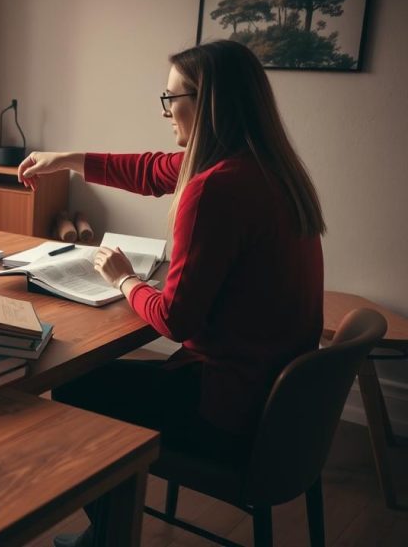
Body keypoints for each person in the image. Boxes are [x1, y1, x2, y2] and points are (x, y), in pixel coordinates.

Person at [17, 40, 324, 546]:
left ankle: (110, 536)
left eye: (171, 99)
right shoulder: (271, 169)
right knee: (98, 382)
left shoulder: (217, 188)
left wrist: (123, 279)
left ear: (206, 104)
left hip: (228, 407)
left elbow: (176, 320)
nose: (166, 112)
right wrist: (65, 159)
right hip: (278, 409)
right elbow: (151, 169)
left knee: (75, 389)